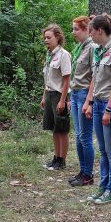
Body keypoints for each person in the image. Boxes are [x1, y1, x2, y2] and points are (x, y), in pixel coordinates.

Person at [83, 13, 111, 205]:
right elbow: (95, 79)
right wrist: (90, 102)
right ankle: (103, 185)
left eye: (91, 31)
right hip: (99, 103)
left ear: (100, 30)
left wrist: (108, 110)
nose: (90, 35)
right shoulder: (99, 51)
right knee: (102, 149)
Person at [68, 16, 95, 186]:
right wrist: (71, 95)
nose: (73, 33)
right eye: (73, 29)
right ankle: (82, 170)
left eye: (76, 29)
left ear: (86, 29)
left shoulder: (92, 48)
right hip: (76, 93)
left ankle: (88, 174)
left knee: (85, 137)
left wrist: (89, 100)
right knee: (78, 136)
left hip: (85, 94)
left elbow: (95, 76)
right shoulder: (79, 48)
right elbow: (74, 74)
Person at [41, 24, 71, 171]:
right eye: (45, 38)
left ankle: (62, 160)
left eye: (49, 37)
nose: (46, 40)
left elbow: (66, 80)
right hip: (50, 94)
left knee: (62, 128)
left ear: (57, 37)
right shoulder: (49, 54)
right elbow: (47, 78)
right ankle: (56, 157)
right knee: (54, 128)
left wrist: (63, 100)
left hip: (60, 95)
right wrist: (44, 96)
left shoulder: (63, 55)